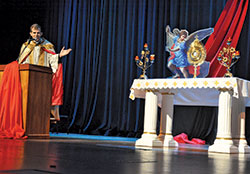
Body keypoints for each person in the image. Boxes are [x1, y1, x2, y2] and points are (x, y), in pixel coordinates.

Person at [18, 23, 72, 123]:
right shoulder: (26, 46)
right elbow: (21, 61)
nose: (36, 35)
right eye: (34, 33)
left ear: (41, 33)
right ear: (30, 34)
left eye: (38, 33)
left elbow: (52, 59)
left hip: (42, 79)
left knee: (40, 100)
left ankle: (40, 123)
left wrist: (59, 55)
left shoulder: (47, 45)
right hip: (29, 79)